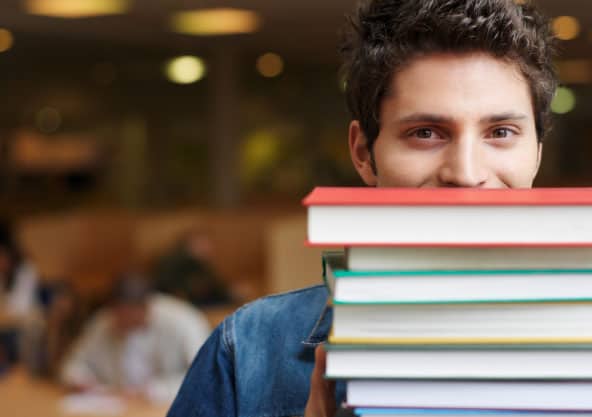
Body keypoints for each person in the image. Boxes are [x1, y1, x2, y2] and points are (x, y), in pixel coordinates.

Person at [167, 0, 558, 416]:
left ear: (536, 153)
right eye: (425, 132)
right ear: (363, 153)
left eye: (500, 132)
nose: (465, 173)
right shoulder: (246, 350)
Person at [59, 274, 211, 404]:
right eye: (118, 314)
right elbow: (72, 364)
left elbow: (208, 378)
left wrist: (157, 390)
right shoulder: (104, 322)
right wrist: (81, 380)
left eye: (129, 316)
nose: (122, 321)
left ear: (146, 307)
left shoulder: (184, 322)